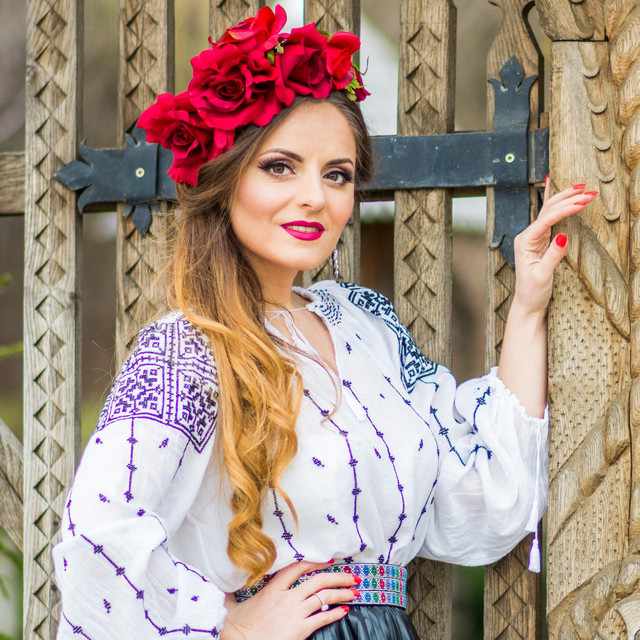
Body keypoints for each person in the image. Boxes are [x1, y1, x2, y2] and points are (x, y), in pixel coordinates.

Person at [52, 6, 596, 639]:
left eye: (336, 175)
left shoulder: (363, 326)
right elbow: (97, 535)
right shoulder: (187, 347)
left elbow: (481, 499)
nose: (315, 196)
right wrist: (226, 627)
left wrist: (527, 307)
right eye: (280, 166)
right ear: (225, 179)